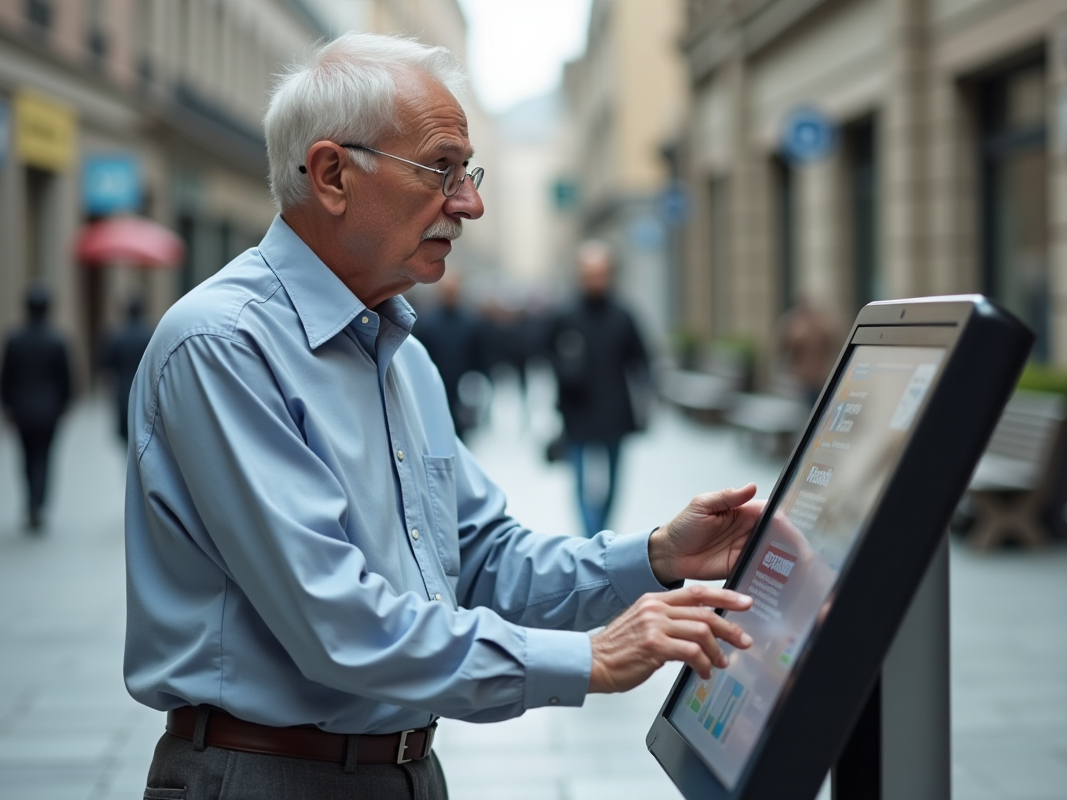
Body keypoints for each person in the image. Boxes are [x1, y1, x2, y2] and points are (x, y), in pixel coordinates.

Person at [124, 34, 759, 800]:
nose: (470, 202)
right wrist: (587, 660)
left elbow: (483, 558)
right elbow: (340, 624)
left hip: (405, 771)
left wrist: (657, 555)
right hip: (265, 776)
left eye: (469, 172)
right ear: (332, 175)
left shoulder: (397, 350)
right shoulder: (224, 346)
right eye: (442, 169)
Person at [548, 241, 650, 537]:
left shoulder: (623, 315)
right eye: (588, 273)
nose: (594, 279)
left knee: (614, 481)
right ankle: (592, 537)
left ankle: (603, 530)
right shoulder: (566, 315)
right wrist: (564, 371)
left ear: (610, 274)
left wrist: (645, 402)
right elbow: (546, 351)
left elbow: (641, 360)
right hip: (577, 411)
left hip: (615, 411)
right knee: (580, 481)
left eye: (600, 273)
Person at [0, 285, 72, 532]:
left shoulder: (14, 339)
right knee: (44, 457)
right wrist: (65, 404)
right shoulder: (57, 340)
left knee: (27, 457)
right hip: (49, 409)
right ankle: (38, 504)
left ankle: (31, 502)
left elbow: (6, 377)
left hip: (21, 409)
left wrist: (7, 406)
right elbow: (66, 378)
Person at [413, 272, 486, 437]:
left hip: (462, 392)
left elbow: (480, 358)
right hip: (433, 389)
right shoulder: (426, 322)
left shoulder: (472, 322)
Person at [98, 295, 154, 443]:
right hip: (145, 392)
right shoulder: (150, 335)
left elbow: (105, 367)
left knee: (126, 437)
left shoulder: (116, 336)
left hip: (123, 392)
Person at [777, 293, 838, 407]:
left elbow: (832, 343)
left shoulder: (820, 323)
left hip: (818, 377)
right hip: (802, 379)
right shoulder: (794, 324)